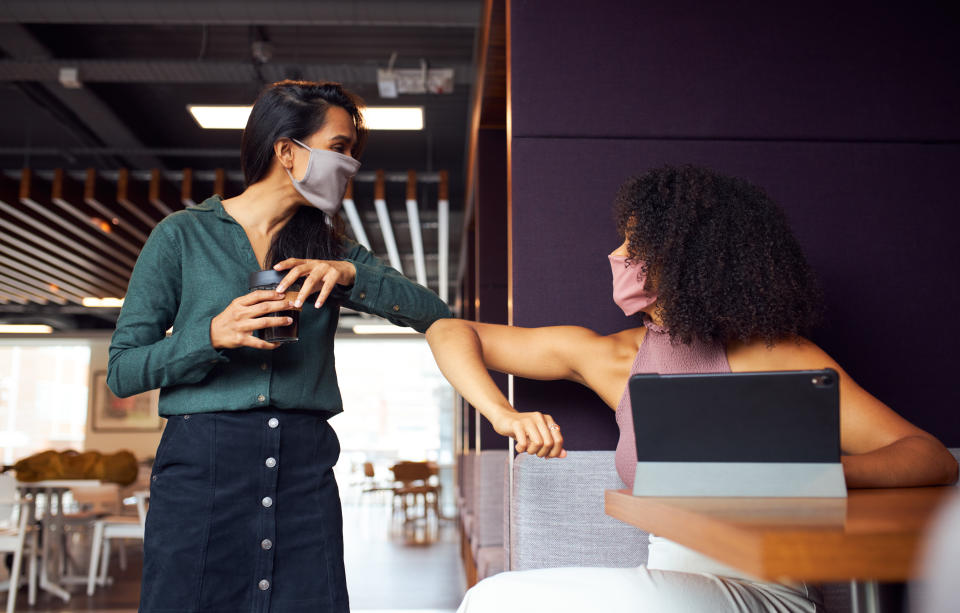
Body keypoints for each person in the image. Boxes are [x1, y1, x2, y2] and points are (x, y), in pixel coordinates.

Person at [425, 165, 959, 612]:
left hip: (768, 592)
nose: (617, 253)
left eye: (634, 242)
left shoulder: (778, 354)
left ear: (686, 256)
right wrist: (503, 415)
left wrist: (813, 476)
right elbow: (451, 331)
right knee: (490, 600)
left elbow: (932, 458)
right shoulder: (614, 358)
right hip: (675, 584)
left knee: (494, 602)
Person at [108, 80, 454, 613]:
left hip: (303, 468)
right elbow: (124, 371)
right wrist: (209, 337)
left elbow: (435, 314)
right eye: (339, 148)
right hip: (201, 472)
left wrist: (347, 275)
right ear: (288, 150)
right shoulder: (181, 236)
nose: (349, 165)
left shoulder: (332, 248)